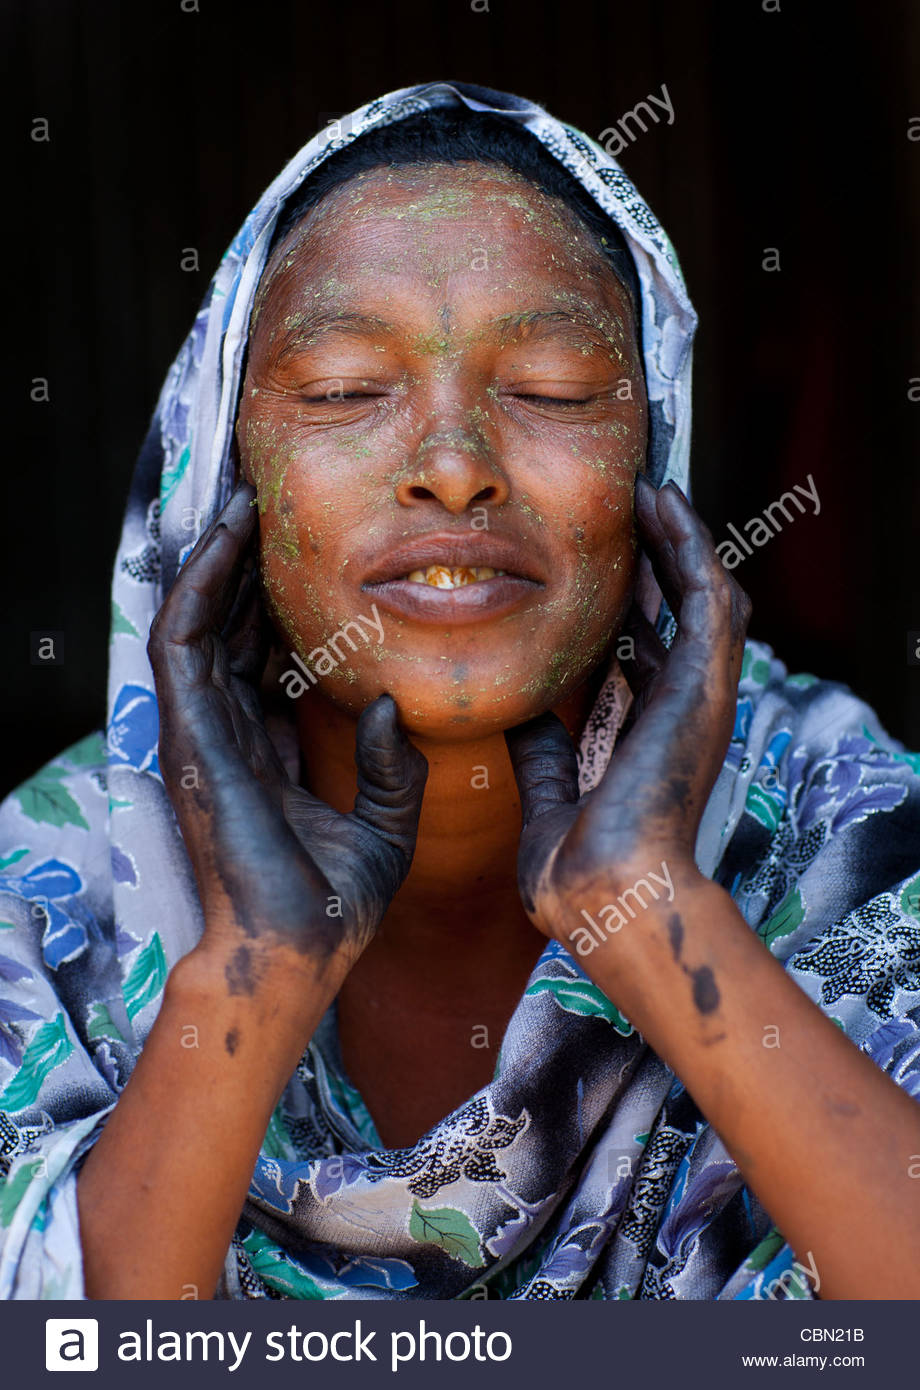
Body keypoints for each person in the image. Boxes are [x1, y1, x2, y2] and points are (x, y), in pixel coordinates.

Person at [1, 80, 919, 1303]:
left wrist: (648, 911)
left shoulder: (850, 837)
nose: (451, 468)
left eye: (549, 388)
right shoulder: (40, 904)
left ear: (656, 467)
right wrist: (255, 972)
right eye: (339, 390)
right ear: (219, 482)